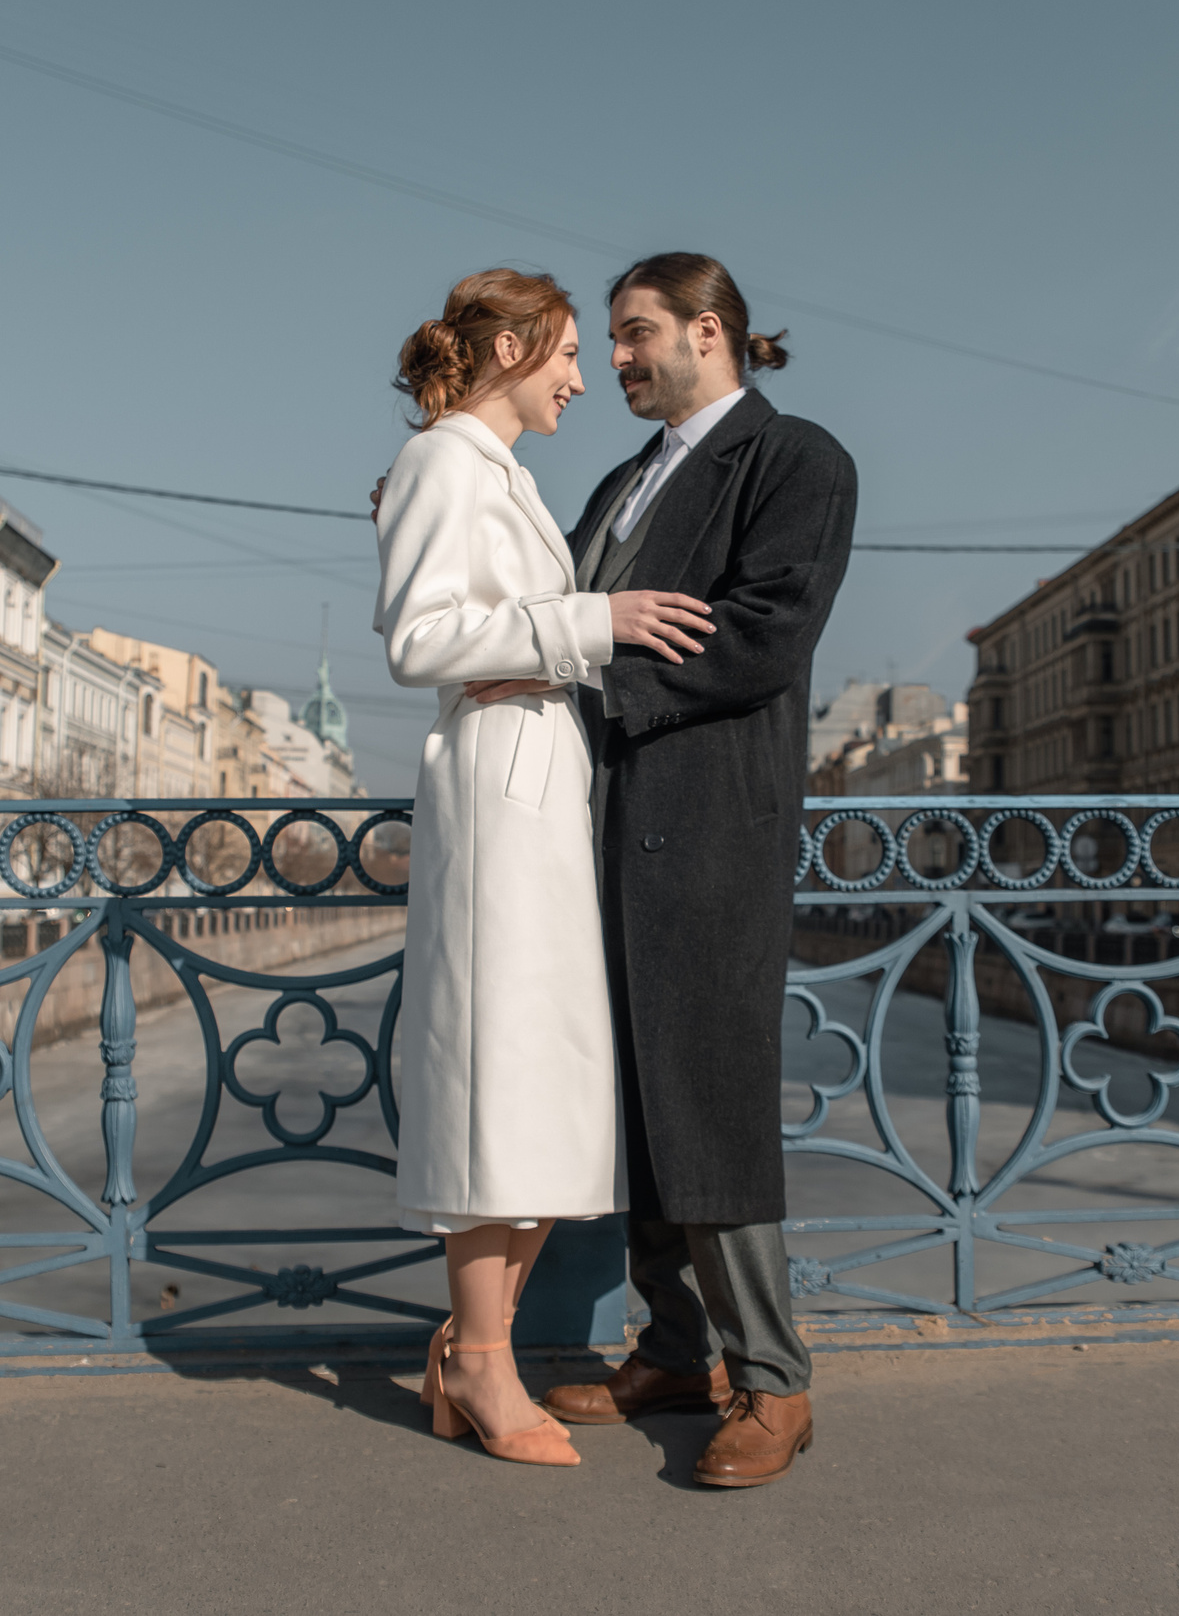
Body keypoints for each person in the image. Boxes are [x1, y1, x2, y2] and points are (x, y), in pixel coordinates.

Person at [479, 253, 856, 1488]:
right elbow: (560, 608)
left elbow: (762, 634)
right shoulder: (623, 479)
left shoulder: (793, 458)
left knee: (708, 1095)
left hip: (710, 830)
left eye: (636, 334)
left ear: (709, 330)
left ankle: (774, 1379)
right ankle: (675, 1350)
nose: (617, 360)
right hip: (599, 827)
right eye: (612, 339)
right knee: (635, 1100)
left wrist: (602, 678)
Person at [372, 267, 719, 1469]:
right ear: (513, 349)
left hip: (538, 789)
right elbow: (417, 638)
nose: (584, 376)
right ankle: (481, 1358)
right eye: (569, 351)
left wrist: (574, 633)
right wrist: (595, 621)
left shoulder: (500, 473)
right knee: (495, 1076)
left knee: (537, 1078)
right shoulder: (443, 461)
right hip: (496, 789)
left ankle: (471, 1347)